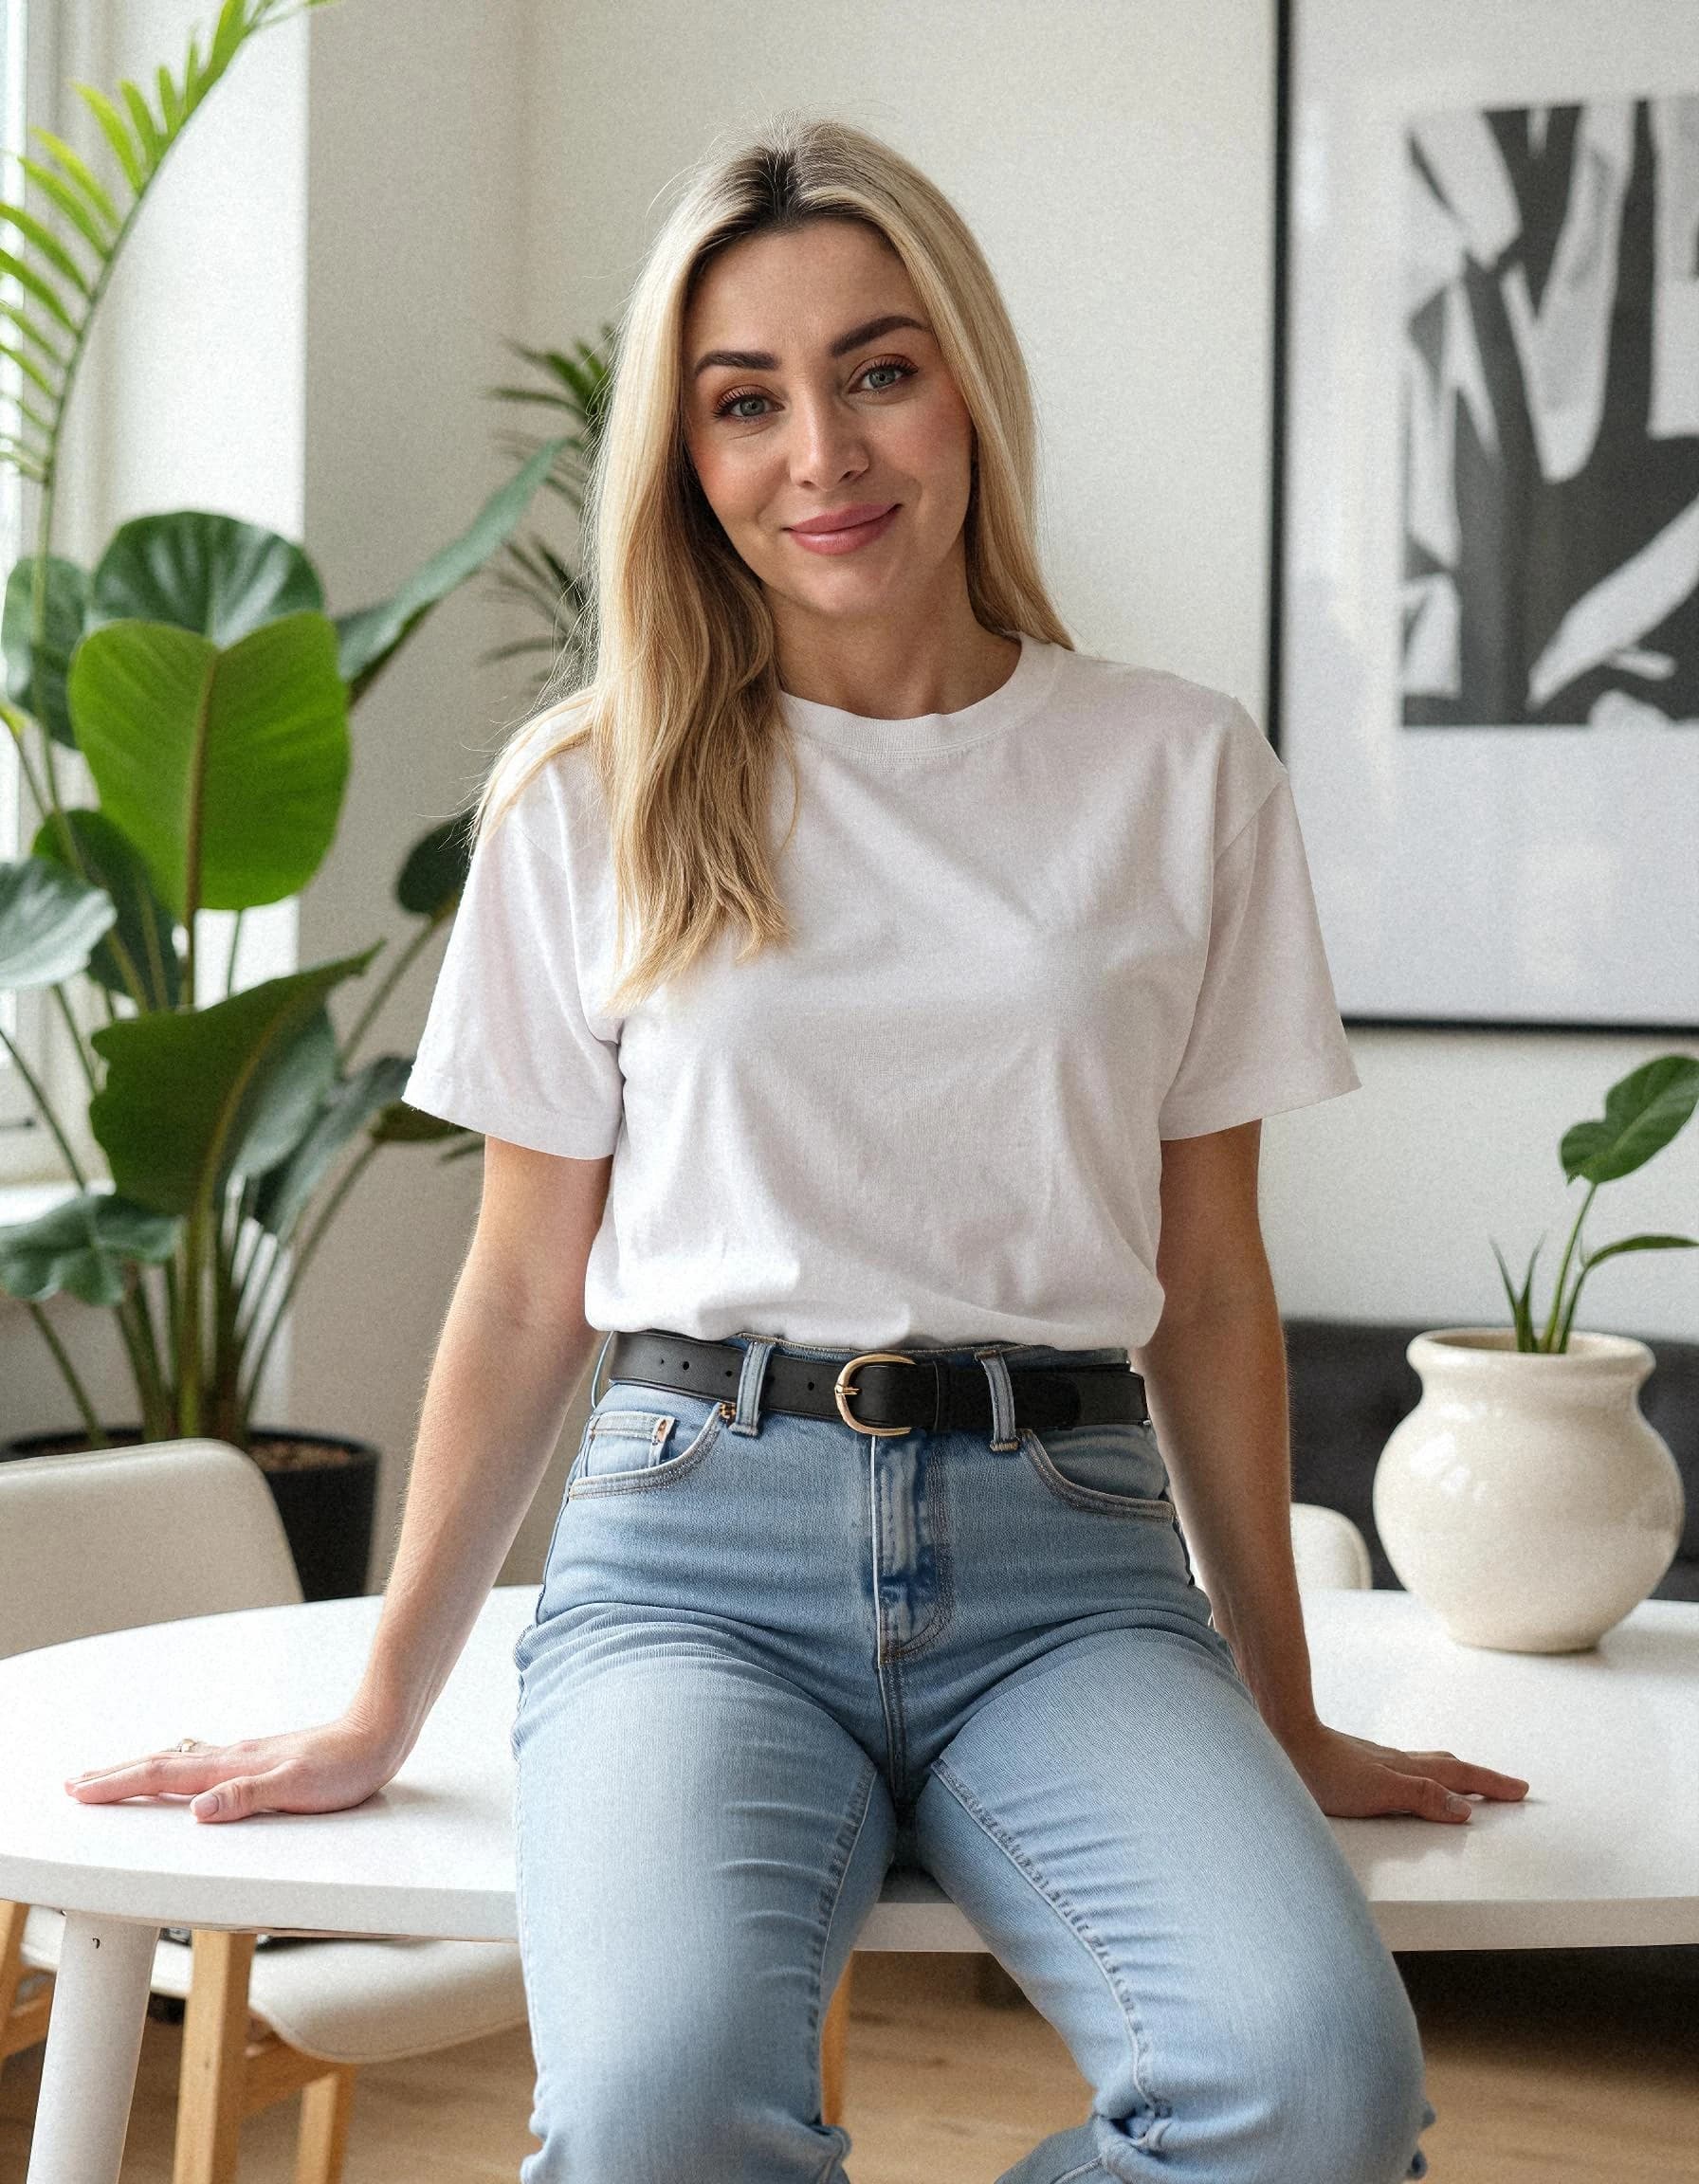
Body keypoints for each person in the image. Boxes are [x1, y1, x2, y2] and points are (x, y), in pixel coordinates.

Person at [65, 114, 1528, 2184]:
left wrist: (1280, 1719)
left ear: (966, 391)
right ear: (683, 455)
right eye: (742, 402)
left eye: (875, 368)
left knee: (1310, 2090)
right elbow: (516, 1286)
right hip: (689, 1562)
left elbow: (1208, 1288)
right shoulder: (587, 796)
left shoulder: (1173, 770)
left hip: (1070, 1567)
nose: (819, 456)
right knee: (655, 2123)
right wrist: (384, 1700)